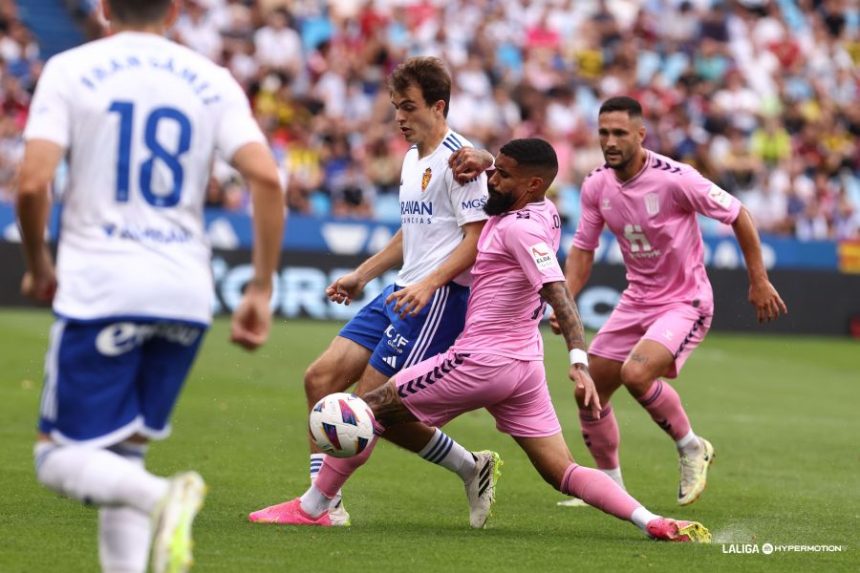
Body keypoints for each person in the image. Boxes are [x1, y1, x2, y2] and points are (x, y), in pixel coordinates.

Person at [248, 138, 711, 543]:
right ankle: (650, 519)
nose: (490, 181)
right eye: (493, 171)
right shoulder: (543, 210)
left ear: (530, 186)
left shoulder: (520, 228)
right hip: (525, 370)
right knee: (563, 473)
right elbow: (513, 178)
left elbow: (559, 293)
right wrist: (488, 158)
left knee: (365, 409)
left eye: (501, 176)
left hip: (481, 360)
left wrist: (578, 358)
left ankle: (313, 508)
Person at [17, 1, 285, 572]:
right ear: (173, 11)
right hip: (184, 293)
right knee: (123, 454)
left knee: (56, 459)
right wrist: (261, 286)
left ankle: (165, 497)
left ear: (107, 8)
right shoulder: (211, 80)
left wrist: (40, 265)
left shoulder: (71, 68)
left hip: (103, 285)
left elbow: (33, 182)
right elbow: (265, 176)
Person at [455, 96, 787, 507]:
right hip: (636, 299)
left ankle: (690, 446)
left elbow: (738, 213)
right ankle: (611, 483)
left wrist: (758, 280)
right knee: (589, 392)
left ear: (641, 135)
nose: (609, 141)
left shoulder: (676, 178)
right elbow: (583, 250)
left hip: (685, 300)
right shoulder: (597, 185)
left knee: (637, 374)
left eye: (619, 133)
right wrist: (567, 300)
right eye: (603, 133)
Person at [249, 56, 496, 528]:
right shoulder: (411, 157)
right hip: (402, 290)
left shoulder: (462, 162)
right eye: (394, 107)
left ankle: (316, 507)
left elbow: (476, 242)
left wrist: (428, 283)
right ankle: (468, 466)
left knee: (369, 407)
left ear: (438, 106)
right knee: (320, 380)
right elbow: (413, 233)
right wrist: (363, 274)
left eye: (408, 107)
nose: (399, 118)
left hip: (438, 299)